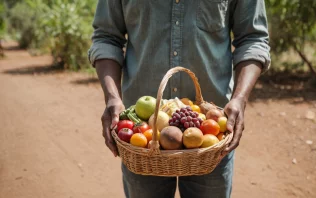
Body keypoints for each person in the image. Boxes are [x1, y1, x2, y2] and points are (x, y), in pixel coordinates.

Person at [88, 0, 270, 197]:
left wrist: (240, 99)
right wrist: (112, 98)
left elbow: (253, 39)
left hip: (211, 131)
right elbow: (106, 38)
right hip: (142, 134)